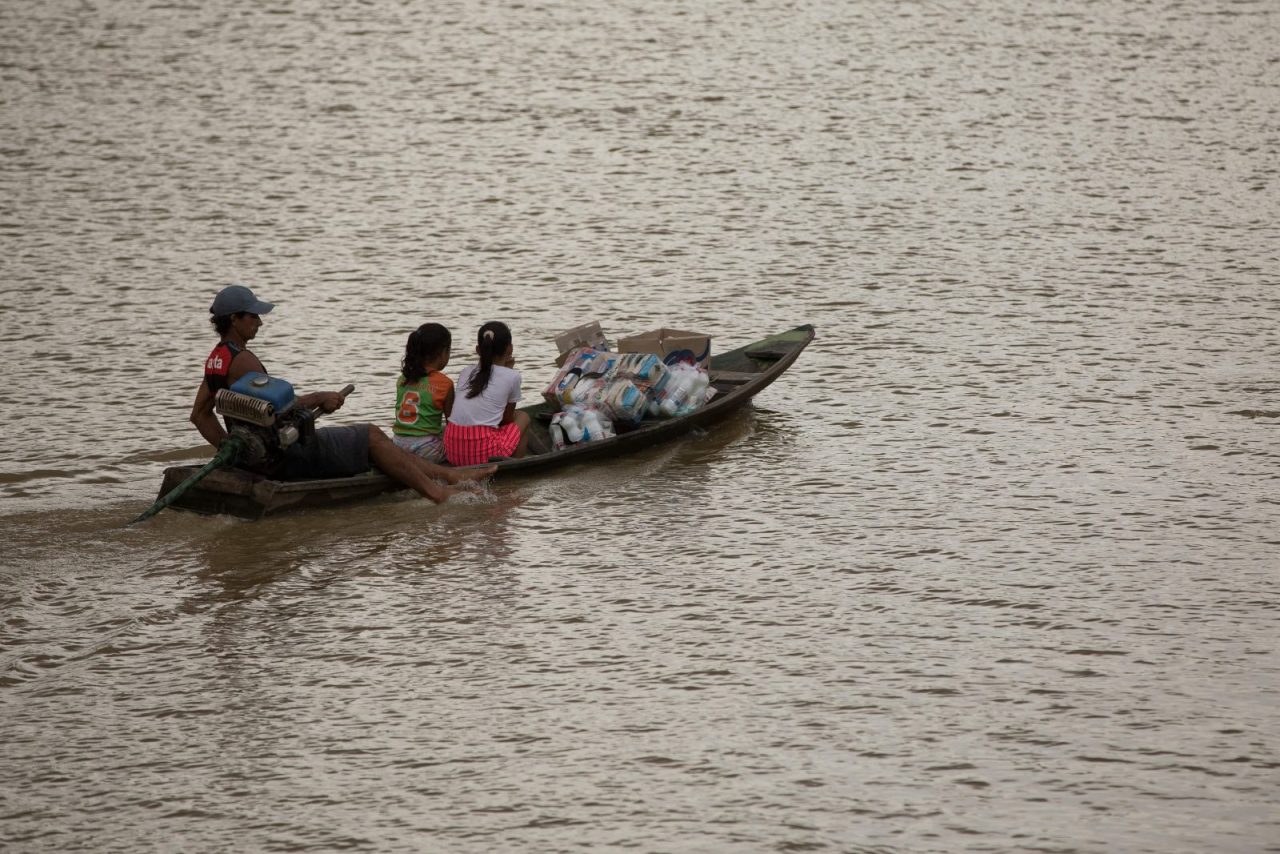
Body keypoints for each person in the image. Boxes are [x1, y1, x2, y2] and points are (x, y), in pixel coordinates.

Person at [189, 284, 491, 503]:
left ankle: (449, 476)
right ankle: (438, 492)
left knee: (377, 439)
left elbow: (200, 415)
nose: (259, 322)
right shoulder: (245, 361)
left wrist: (236, 453)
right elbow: (279, 408)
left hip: (260, 458)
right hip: (284, 457)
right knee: (371, 435)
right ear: (234, 319)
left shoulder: (218, 359)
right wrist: (320, 398)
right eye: (253, 316)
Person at [443, 321, 531, 465]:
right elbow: (507, 419)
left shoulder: (465, 372)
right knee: (523, 417)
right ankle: (516, 467)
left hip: (453, 451)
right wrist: (508, 370)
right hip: (483, 454)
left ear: (478, 349)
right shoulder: (513, 376)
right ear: (510, 349)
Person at [392, 323, 454, 464]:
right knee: (456, 443)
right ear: (442, 352)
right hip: (425, 449)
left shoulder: (403, 379)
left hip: (398, 444)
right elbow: (452, 424)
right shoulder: (445, 383)